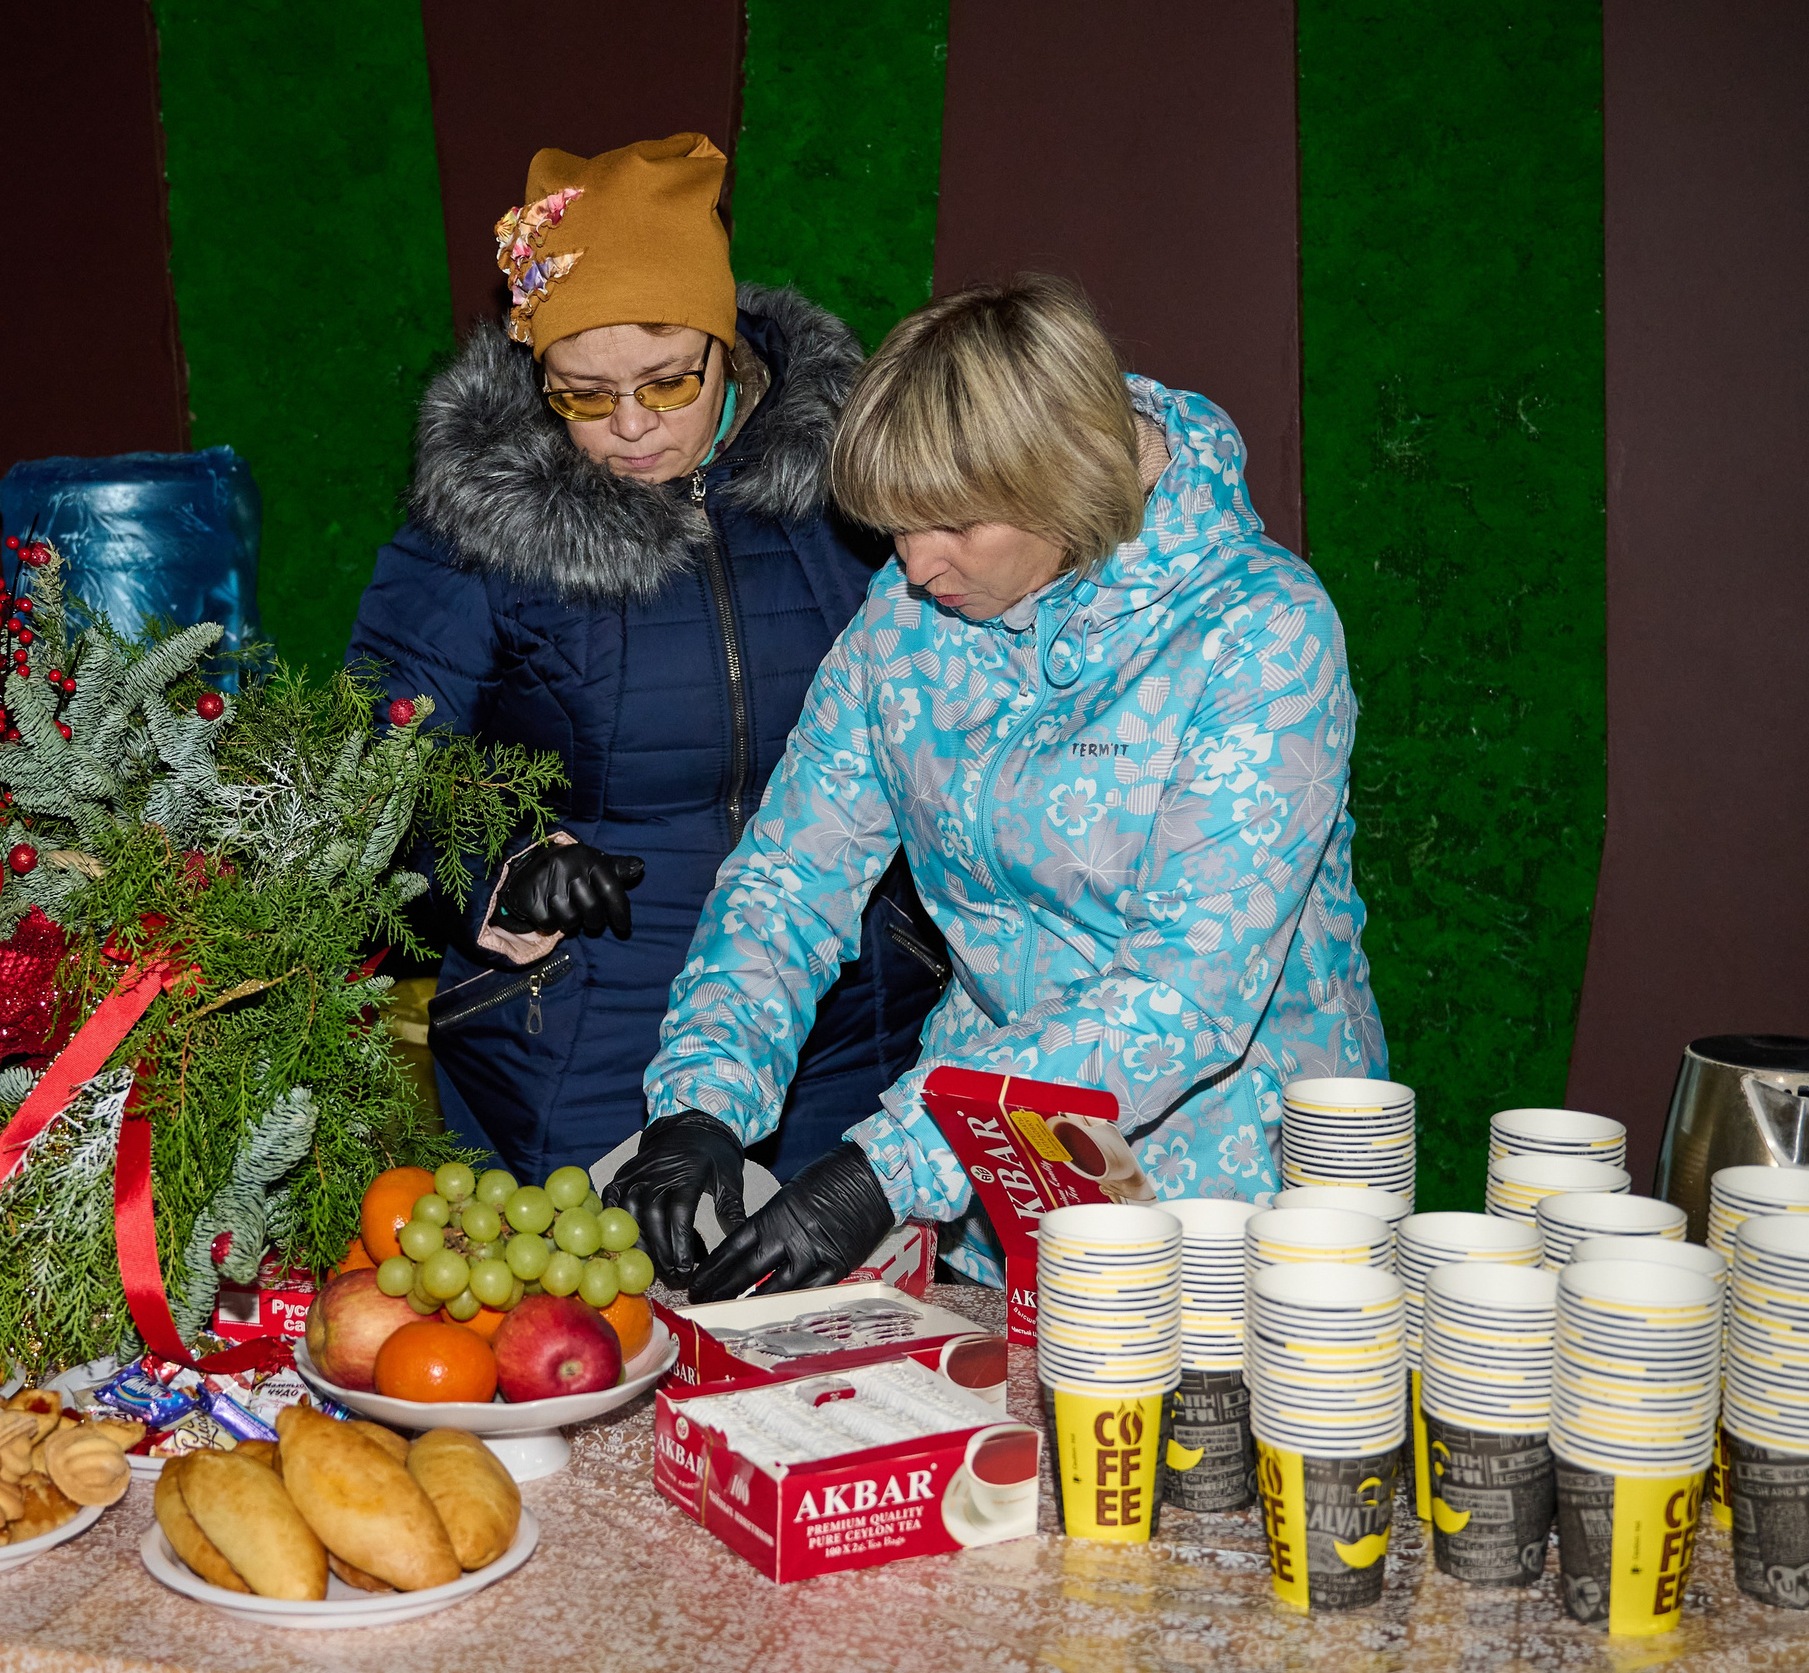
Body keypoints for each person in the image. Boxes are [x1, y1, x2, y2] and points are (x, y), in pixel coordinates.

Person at [612, 275, 1387, 1298]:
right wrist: (699, 1100)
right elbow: (792, 873)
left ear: (1061, 479)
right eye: (893, 525)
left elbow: (1185, 991)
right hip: (995, 1183)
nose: (914, 563)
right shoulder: (906, 621)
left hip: (1234, 1201)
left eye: (953, 524)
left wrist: (887, 1167)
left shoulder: (1261, 632)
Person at [346, 134, 945, 1194]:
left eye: (670, 381)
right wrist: (504, 863)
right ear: (537, 377)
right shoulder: (477, 518)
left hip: (846, 1028)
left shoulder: (852, 480)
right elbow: (377, 764)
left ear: (729, 345)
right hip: (579, 1034)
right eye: (584, 394)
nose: (631, 427)